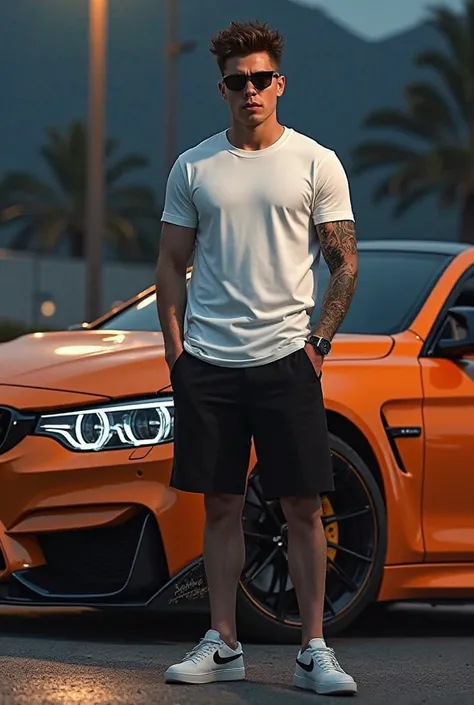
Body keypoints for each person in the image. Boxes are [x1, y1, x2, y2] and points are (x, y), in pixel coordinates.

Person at [155, 19, 359, 697]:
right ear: (223, 89)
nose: (251, 90)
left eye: (262, 78)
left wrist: (317, 347)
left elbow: (344, 263)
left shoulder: (315, 161)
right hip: (208, 363)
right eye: (238, 81)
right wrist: (177, 356)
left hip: (285, 361)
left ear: (280, 83)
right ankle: (223, 642)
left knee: (303, 505)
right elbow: (170, 263)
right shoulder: (194, 166)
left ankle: (314, 647)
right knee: (220, 505)